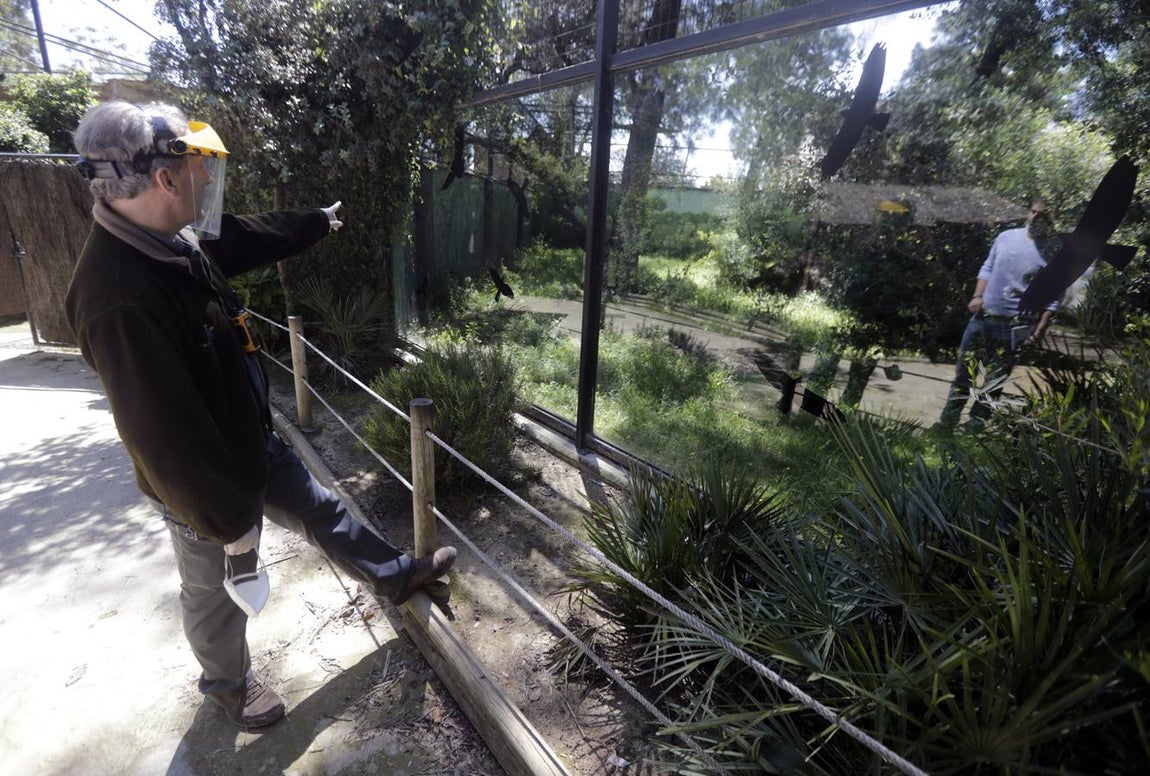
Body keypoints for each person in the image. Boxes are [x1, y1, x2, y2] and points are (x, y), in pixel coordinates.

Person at [65, 101, 457, 730]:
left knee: (322, 510)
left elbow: (242, 237)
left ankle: (396, 575)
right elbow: (160, 436)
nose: (207, 178)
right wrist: (227, 524)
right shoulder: (116, 297)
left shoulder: (171, 238)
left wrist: (314, 223)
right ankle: (229, 687)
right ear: (165, 178)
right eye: (198, 166)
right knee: (213, 591)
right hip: (201, 486)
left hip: (249, 438)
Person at [938, 201, 1059, 430]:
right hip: (983, 317)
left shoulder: (1054, 250)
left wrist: (1038, 331)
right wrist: (977, 296)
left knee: (994, 382)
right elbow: (988, 267)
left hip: (1016, 325)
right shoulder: (1006, 237)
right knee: (963, 375)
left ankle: (975, 428)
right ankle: (946, 425)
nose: (1035, 217)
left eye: (1042, 214)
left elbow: (1054, 296)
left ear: (1050, 218)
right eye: (1033, 211)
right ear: (1028, 213)